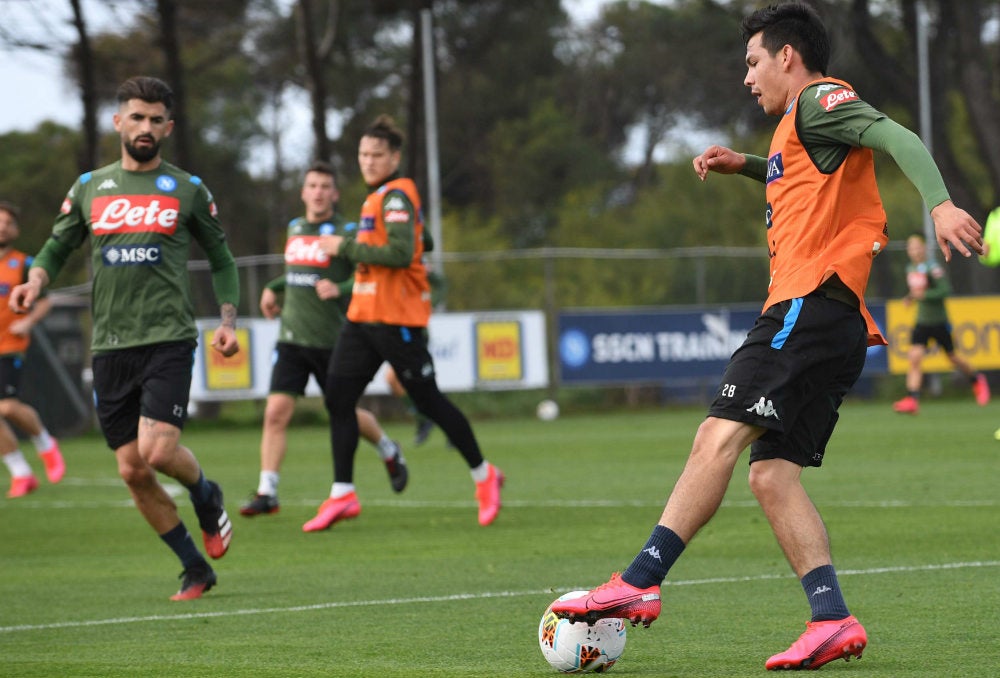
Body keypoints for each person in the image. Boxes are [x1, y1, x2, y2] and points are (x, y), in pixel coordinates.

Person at [550, 3, 984, 672]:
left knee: (714, 436)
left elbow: (896, 136)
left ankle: (641, 577)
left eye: (753, 61)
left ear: (788, 55)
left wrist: (940, 201)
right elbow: (805, 175)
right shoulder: (796, 126)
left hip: (805, 304)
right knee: (774, 477)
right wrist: (746, 164)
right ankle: (831, 618)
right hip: (835, 320)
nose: (747, 76)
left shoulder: (820, 97)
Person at [9, 76, 240, 601]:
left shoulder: (187, 188)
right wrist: (35, 280)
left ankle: (207, 494)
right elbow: (54, 247)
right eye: (136, 117)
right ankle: (194, 567)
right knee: (132, 471)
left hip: (168, 339)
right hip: (111, 346)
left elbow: (222, 259)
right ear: (118, 122)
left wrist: (227, 322)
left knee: (158, 452)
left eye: (156, 119)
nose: (146, 127)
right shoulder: (90, 186)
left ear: (168, 127)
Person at [303, 115, 503, 532]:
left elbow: (398, 253)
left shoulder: (395, 196)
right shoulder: (380, 198)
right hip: (362, 318)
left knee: (429, 401)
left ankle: (485, 477)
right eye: (363, 154)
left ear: (394, 157)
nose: (368, 161)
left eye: (377, 154)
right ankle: (342, 493)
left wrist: (345, 245)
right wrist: (413, 235)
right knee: (339, 397)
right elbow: (420, 240)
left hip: (397, 321)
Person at [240, 161, 407, 517]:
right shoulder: (295, 228)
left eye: (324, 186)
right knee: (275, 412)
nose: (317, 192)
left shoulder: (347, 231)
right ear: (303, 192)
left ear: (334, 193)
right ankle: (267, 490)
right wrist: (273, 288)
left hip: (333, 340)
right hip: (292, 337)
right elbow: (298, 275)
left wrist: (341, 287)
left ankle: (388, 449)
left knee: (343, 411)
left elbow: (368, 274)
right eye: (312, 185)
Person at [0, 201, 65, 498]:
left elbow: (45, 300)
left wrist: (27, 323)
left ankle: (45, 444)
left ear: (15, 229)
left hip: (10, 346)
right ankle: (21, 473)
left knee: (7, 406)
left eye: (7, 222)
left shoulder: (24, 263)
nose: (2, 227)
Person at [893, 234, 989, 414]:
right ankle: (912, 399)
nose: (913, 250)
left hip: (938, 321)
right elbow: (917, 291)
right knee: (914, 358)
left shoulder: (933, 268)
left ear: (923, 248)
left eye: (916, 246)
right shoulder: (911, 268)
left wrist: (924, 296)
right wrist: (911, 297)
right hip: (922, 321)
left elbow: (944, 290)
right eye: (910, 247)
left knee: (953, 357)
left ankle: (977, 379)